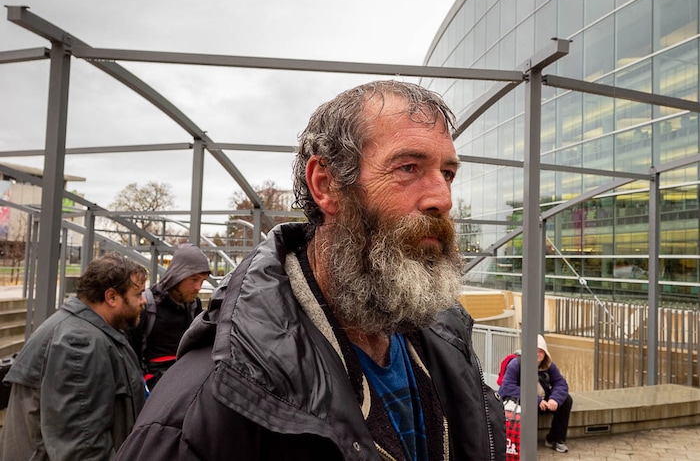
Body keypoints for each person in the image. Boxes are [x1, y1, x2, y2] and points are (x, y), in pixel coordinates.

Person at [116, 80, 506, 460]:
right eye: (407, 167)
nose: (443, 198)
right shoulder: (212, 404)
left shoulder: (447, 344)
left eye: (448, 173)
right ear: (326, 184)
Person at [0, 253, 148, 460]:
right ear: (111, 297)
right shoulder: (79, 345)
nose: (143, 301)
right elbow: (82, 448)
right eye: (138, 294)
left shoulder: (89, 332)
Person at [126, 243, 211, 390]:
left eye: (202, 281)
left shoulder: (193, 305)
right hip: (153, 387)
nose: (198, 287)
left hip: (185, 383)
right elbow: (130, 354)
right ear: (178, 275)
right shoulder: (147, 304)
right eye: (194, 279)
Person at [498, 334, 573, 453]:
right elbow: (507, 387)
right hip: (521, 401)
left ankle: (555, 439)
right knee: (528, 406)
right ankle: (523, 442)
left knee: (566, 400)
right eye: (535, 351)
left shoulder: (549, 366)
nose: (538, 354)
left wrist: (554, 399)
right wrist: (535, 400)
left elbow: (561, 383)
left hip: (543, 401)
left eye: (541, 351)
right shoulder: (516, 364)